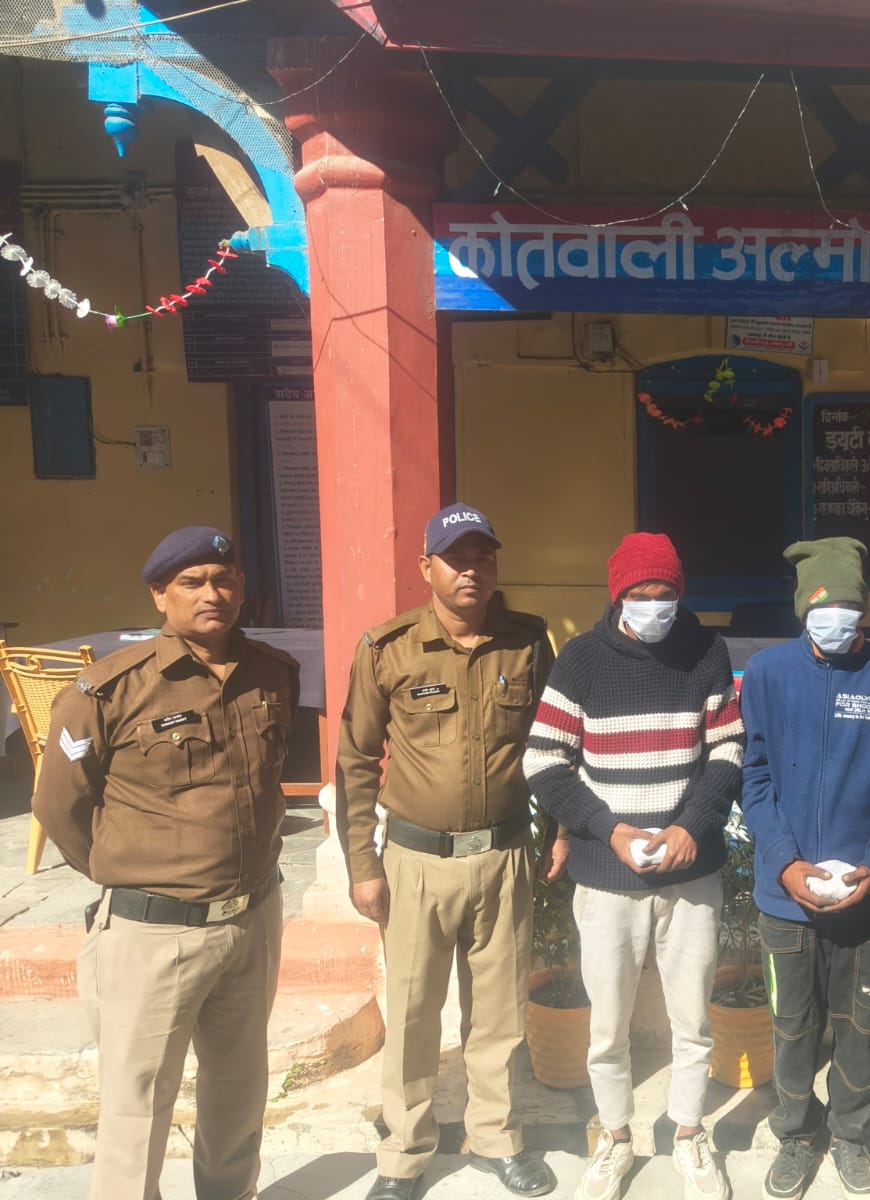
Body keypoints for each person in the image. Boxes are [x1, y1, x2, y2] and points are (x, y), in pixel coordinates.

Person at [31, 526, 300, 1200]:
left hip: (252, 920)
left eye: (224, 579)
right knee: (137, 1106)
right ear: (159, 594)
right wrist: (128, 871)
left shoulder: (273, 673)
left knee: (239, 1090)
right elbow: (58, 805)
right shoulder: (109, 690)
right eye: (192, 582)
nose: (213, 593)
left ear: (241, 587)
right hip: (154, 933)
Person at [336, 503, 557, 1200]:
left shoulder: (527, 643)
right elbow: (355, 761)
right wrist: (362, 864)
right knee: (410, 1015)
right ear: (426, 567)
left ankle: (495, 1137)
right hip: (416, 864)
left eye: (482, 557)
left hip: (504, 857)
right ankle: (404, 1152)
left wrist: (555, 833)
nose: (471, 571)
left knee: (499, 1015)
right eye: (455, 559)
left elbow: (553, 745)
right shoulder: (388, 649)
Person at [524, 532, 744, 1200]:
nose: (655, 606)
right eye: (641, 594)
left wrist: (690, 826)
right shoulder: (581, 661)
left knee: (692, 1020)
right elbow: (543, 759)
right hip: (607, 876)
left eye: (666, 594)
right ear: (617, 594)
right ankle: (616, 1136)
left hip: (689, 873)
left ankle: (689, 1133)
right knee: (607, 1024)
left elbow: (728, 752)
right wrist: (609, 829)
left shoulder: (706, 652)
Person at [740, 538, 870, 1200]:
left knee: (859, 1026)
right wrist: (785, 864)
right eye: (823, 609)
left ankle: (851, 1134)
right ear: (802, 610)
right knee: (792, 1027)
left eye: (849, 609)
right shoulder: (767, 673)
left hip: (865, 902)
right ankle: (797, 1132)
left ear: (864, 609)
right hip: (785, 900)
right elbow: (754, 780)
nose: (836, 621)